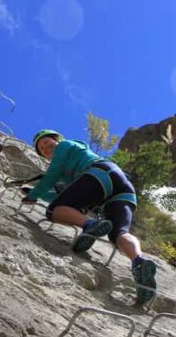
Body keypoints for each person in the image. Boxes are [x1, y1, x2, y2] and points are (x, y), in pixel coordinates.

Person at [21, 129, 157, 305]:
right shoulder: (71, 164)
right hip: (121, 188)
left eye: (47, 142)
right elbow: (62, 194)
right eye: (42, 148)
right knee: (118, 233)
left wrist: (35, 194)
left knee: (52, 211)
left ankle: (90, 225)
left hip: (99, 174)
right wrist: (34, 193)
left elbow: (52, 174)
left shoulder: (65, 145)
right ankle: (139, 262)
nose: (46, 148)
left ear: (57, 140)